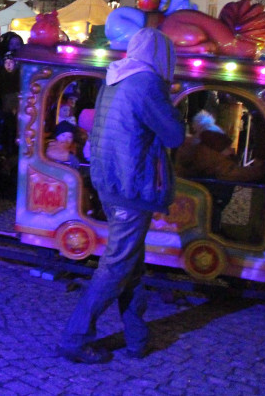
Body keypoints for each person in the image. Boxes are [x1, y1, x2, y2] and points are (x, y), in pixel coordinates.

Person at [58, 28, 185, 363]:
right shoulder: (147, 84)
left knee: (131, 266)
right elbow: (173, 135)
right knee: (117, 266)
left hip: (111, 182)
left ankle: (136, 337)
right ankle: (75, 338)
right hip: (133, 187)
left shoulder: (114, 78)